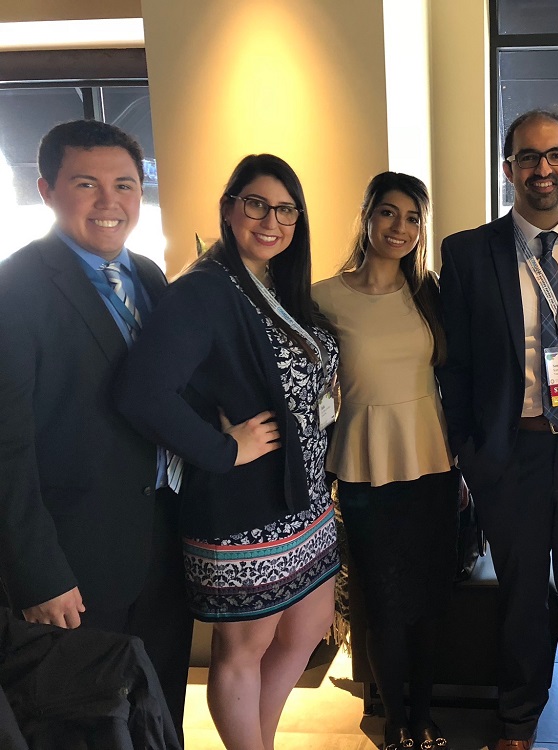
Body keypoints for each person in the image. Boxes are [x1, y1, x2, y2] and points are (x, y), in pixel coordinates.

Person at [116, 154, 340, 750]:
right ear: (229, 209)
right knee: (244, 651)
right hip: (245, 507)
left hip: (304, 498)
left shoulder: (274, 284)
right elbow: (143, 393)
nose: (272, 220)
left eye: (286, 209)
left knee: (309, 626)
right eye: (256, 204)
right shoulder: (203, 291)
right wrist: (220, 449)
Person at [437, 108, 558, 750]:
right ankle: (518, 720)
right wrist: (473, 457)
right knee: (521, 596)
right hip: (512, 451)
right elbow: (456, 365)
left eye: (555, 156)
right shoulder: (468, 252)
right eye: (528, 157)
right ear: (508, 168)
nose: (542, 169)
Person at [0, 119, 192, 740]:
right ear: (48, 189)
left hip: (162, 538)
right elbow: (7, 448)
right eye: (87, 184)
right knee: (89, 719)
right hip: (77, 560)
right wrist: (40, 573)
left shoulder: (150, 276)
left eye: (126, 185)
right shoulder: (16, 290)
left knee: (160, 702)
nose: (110, 202)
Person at [313, 171, 459, 750]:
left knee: (428, 600)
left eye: (413, 217)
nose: (400, 227)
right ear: (368, 216)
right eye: (389, 213)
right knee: (383, 600)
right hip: (364, 467)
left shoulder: (431, 292)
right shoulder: (324, 295)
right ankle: (394, 719)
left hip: (433, 463)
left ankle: (424, 716)